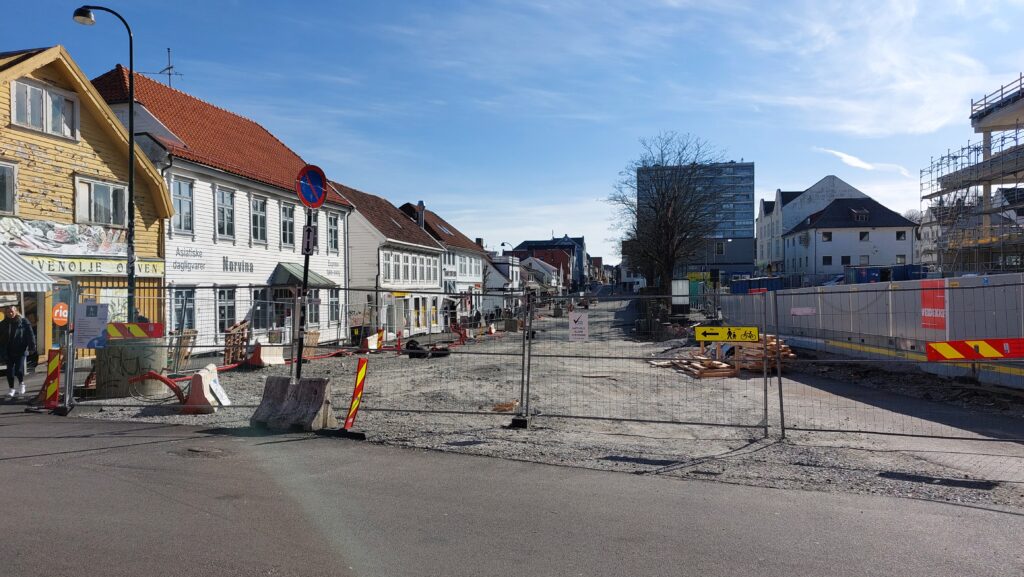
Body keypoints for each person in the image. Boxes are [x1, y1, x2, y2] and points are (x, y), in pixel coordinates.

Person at [0, 305, 36, 398]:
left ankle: (21, 383)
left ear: (16, 311)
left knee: (18, 369)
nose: (10, 313)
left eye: (12, 311)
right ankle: (11, 388)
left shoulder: (23, 322)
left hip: (21, 350)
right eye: (8, 312)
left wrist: (32, 347)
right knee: (9, 371)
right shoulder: (3, 323)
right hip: (8, 350)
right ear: (5, 313)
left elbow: (30, 334)